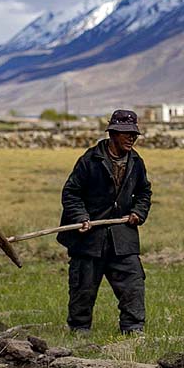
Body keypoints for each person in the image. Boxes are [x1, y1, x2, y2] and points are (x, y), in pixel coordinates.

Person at [57, 109, 152, 334]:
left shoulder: (136, 162)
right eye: (126, 133)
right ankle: (79, 330)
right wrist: (81, 217)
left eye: (134, 134)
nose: (131, 138)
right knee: (83, 287)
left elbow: (144, 192)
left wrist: (138, 212)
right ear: (112, 133)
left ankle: (133, 329)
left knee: (133, 283)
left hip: (122, 236)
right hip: (89, 238)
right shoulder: (90, 160)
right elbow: (71, 193)